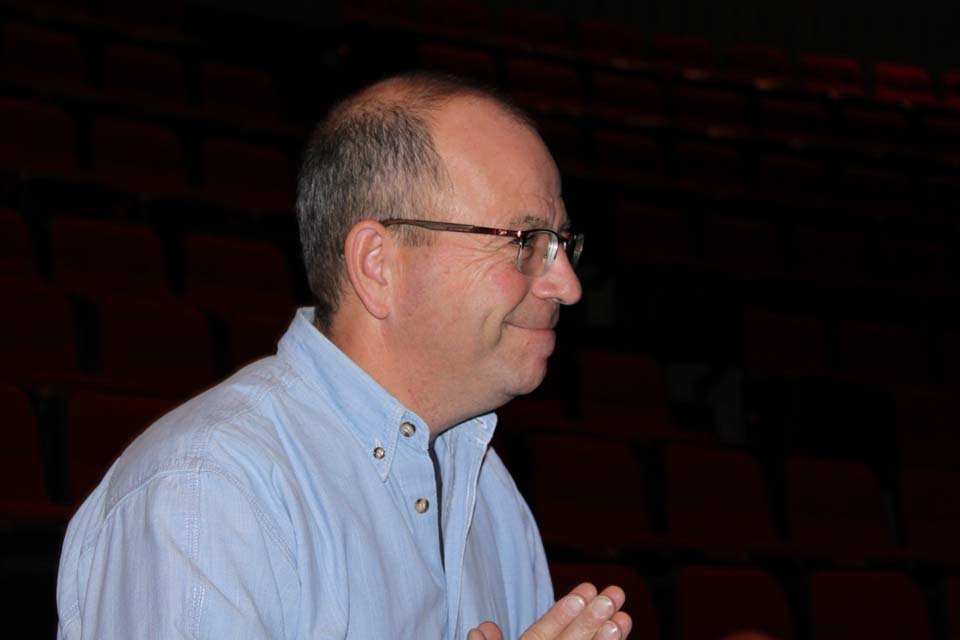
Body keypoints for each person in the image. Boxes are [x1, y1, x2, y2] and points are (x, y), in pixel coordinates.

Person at [56, 72, 632, 640]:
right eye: (525, 242)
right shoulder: (208, 490)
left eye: (561, 243)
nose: (568, 285)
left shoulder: (489, 491)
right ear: (378, 265)